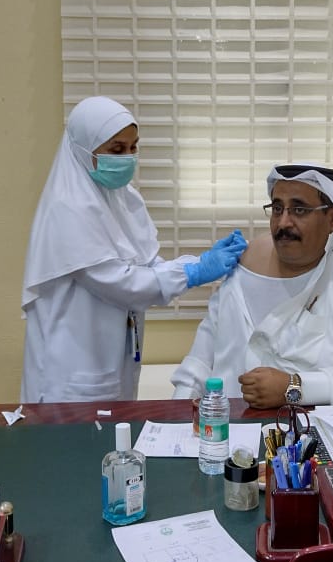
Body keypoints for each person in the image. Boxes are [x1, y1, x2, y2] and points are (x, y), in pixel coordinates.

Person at [21, 97, 247, 403]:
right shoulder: (68, 208)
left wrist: (200, 261)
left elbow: (146, 265)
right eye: (117, 150)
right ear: (84, 150)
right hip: (71, 375)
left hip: (111, 364)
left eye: (133, 147)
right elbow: (119, 282)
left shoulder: (123, 198)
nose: (128, 158)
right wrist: (194, 272)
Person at [171, 164, 333, 408]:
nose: (283, 223)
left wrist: (294, 387)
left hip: (318, 426)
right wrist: (175, 413)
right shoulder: (244, 267)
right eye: (277, 209)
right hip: (228, 423)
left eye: (299, 210)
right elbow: (200, 361)